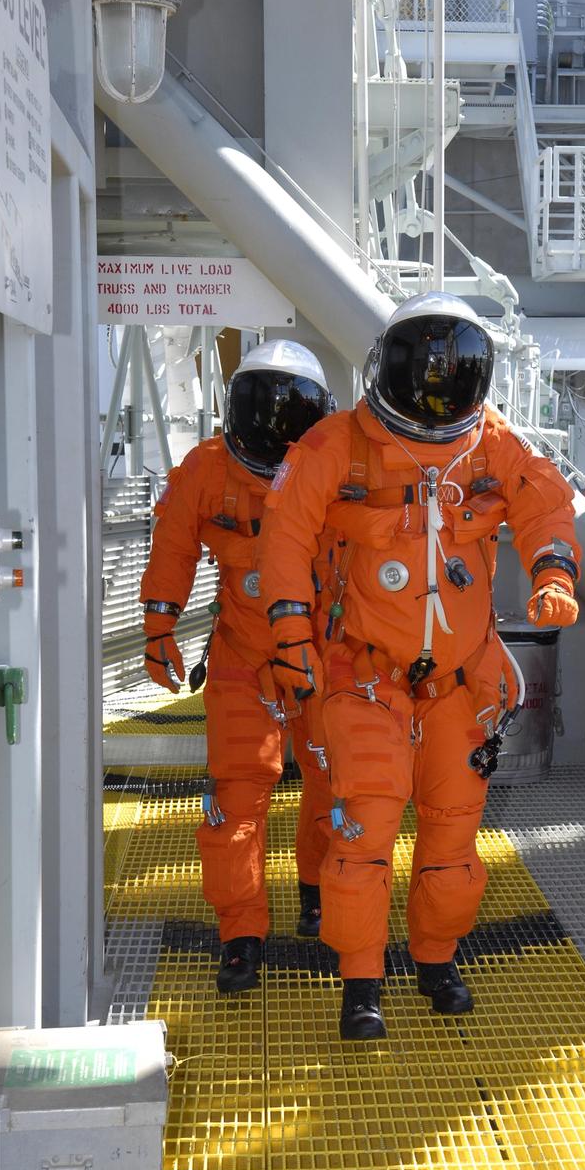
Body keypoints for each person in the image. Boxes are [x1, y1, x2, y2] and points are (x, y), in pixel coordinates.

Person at [256, 291, 581, 1039]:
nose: (437, 394)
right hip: (364, 672)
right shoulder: (339, 443)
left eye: (453, 376)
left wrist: (554, 572)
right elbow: (286, 536)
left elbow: (544, 507)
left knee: (452, 833)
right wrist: (290, 634)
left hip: (458, 681)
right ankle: (361, 978)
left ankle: (436, 957)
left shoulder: (490, 441)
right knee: (364, 831)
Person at [140, 339, 336, 994]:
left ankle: (318, 893)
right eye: (262, 409)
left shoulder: (335, 469)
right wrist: (158, 625)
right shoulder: (207, 469)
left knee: (334, 787)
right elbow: (172, 542)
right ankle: (240, 934)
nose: (275, 428)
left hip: (320, 654)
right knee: (236, 799)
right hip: (243, 660)